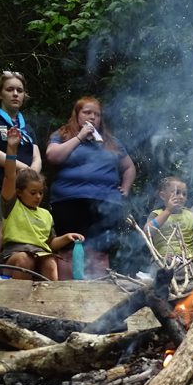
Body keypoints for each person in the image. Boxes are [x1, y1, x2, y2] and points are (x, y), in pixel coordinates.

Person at [45, 96, 137, 278]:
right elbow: (53, 156)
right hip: (69, 201)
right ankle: (68, 293)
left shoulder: (111, 141)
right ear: (77, 115)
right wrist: (79, 137)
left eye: (97, 114)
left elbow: (129, 167)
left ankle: (98, 295)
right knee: (69, 249)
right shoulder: (62, 135)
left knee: (100, 252)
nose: (93, 117)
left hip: (107, 202)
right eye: (87, 112)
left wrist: (125, 188)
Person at [0, 127, 84, 280]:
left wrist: (66, 237)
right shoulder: (12, 205)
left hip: (41, 254)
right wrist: (11, 148)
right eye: (33, 193)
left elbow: (50, 243)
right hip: (14, 256)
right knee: (24, 259)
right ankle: (15, 300)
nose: (38, 196)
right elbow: (9, 177)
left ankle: (50, 301)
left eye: (40, 192)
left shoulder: (46, 214)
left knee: (50, 261)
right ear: (19, 192)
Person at [0, 71, 42, 257]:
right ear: (0, 93)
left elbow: (37, 157)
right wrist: (25, 169)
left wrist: (31, 176)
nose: (15, 94)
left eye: (19, 90)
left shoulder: (26, 127)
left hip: (25, 193)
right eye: (10, 89)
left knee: (24, 243)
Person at [146, 176, 193, 261]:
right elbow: (147, 232)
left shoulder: (190, 214)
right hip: (161, 261)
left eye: (184, 194)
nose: (181, 197)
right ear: (163, 196)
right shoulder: (157, 214)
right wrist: (168, 211)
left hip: (186, 263)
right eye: (177, 192)